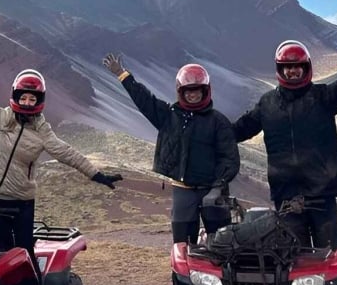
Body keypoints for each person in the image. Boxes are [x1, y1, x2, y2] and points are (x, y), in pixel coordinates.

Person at [0, 55, 122, 259]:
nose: (27, 102)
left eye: (32, 99)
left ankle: (32, 280)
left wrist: (96, 174)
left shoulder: (43, 132)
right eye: (23, 97)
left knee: (25, 251)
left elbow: (67, 153)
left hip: (21, 200)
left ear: (39, 101)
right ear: (16, 96)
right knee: (1, 250)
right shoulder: (3, 118)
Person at [232, 30, 337, 248]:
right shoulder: (267, 104)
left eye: (297, 66)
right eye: (287, 67)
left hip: (322, 194)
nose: (292, 71)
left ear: (306, 67)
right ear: (280, 69)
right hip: (286, 197)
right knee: (293, 257)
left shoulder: (323, 96)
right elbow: (240, 130)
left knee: (331, 255)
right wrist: (209, 131)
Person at [101, 53, 240, 245]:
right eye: (187, 91)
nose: (192, 95)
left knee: (223, 244)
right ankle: (185, 266)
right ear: (180, 92)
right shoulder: (170, 117)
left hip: (213, 191)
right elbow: (145, 101)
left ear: (205, 90)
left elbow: (230, 158)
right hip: (183, 190)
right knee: (182, 244)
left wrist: (217, 188)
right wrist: (123, 75)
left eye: (196, 90)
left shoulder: (218, 122)